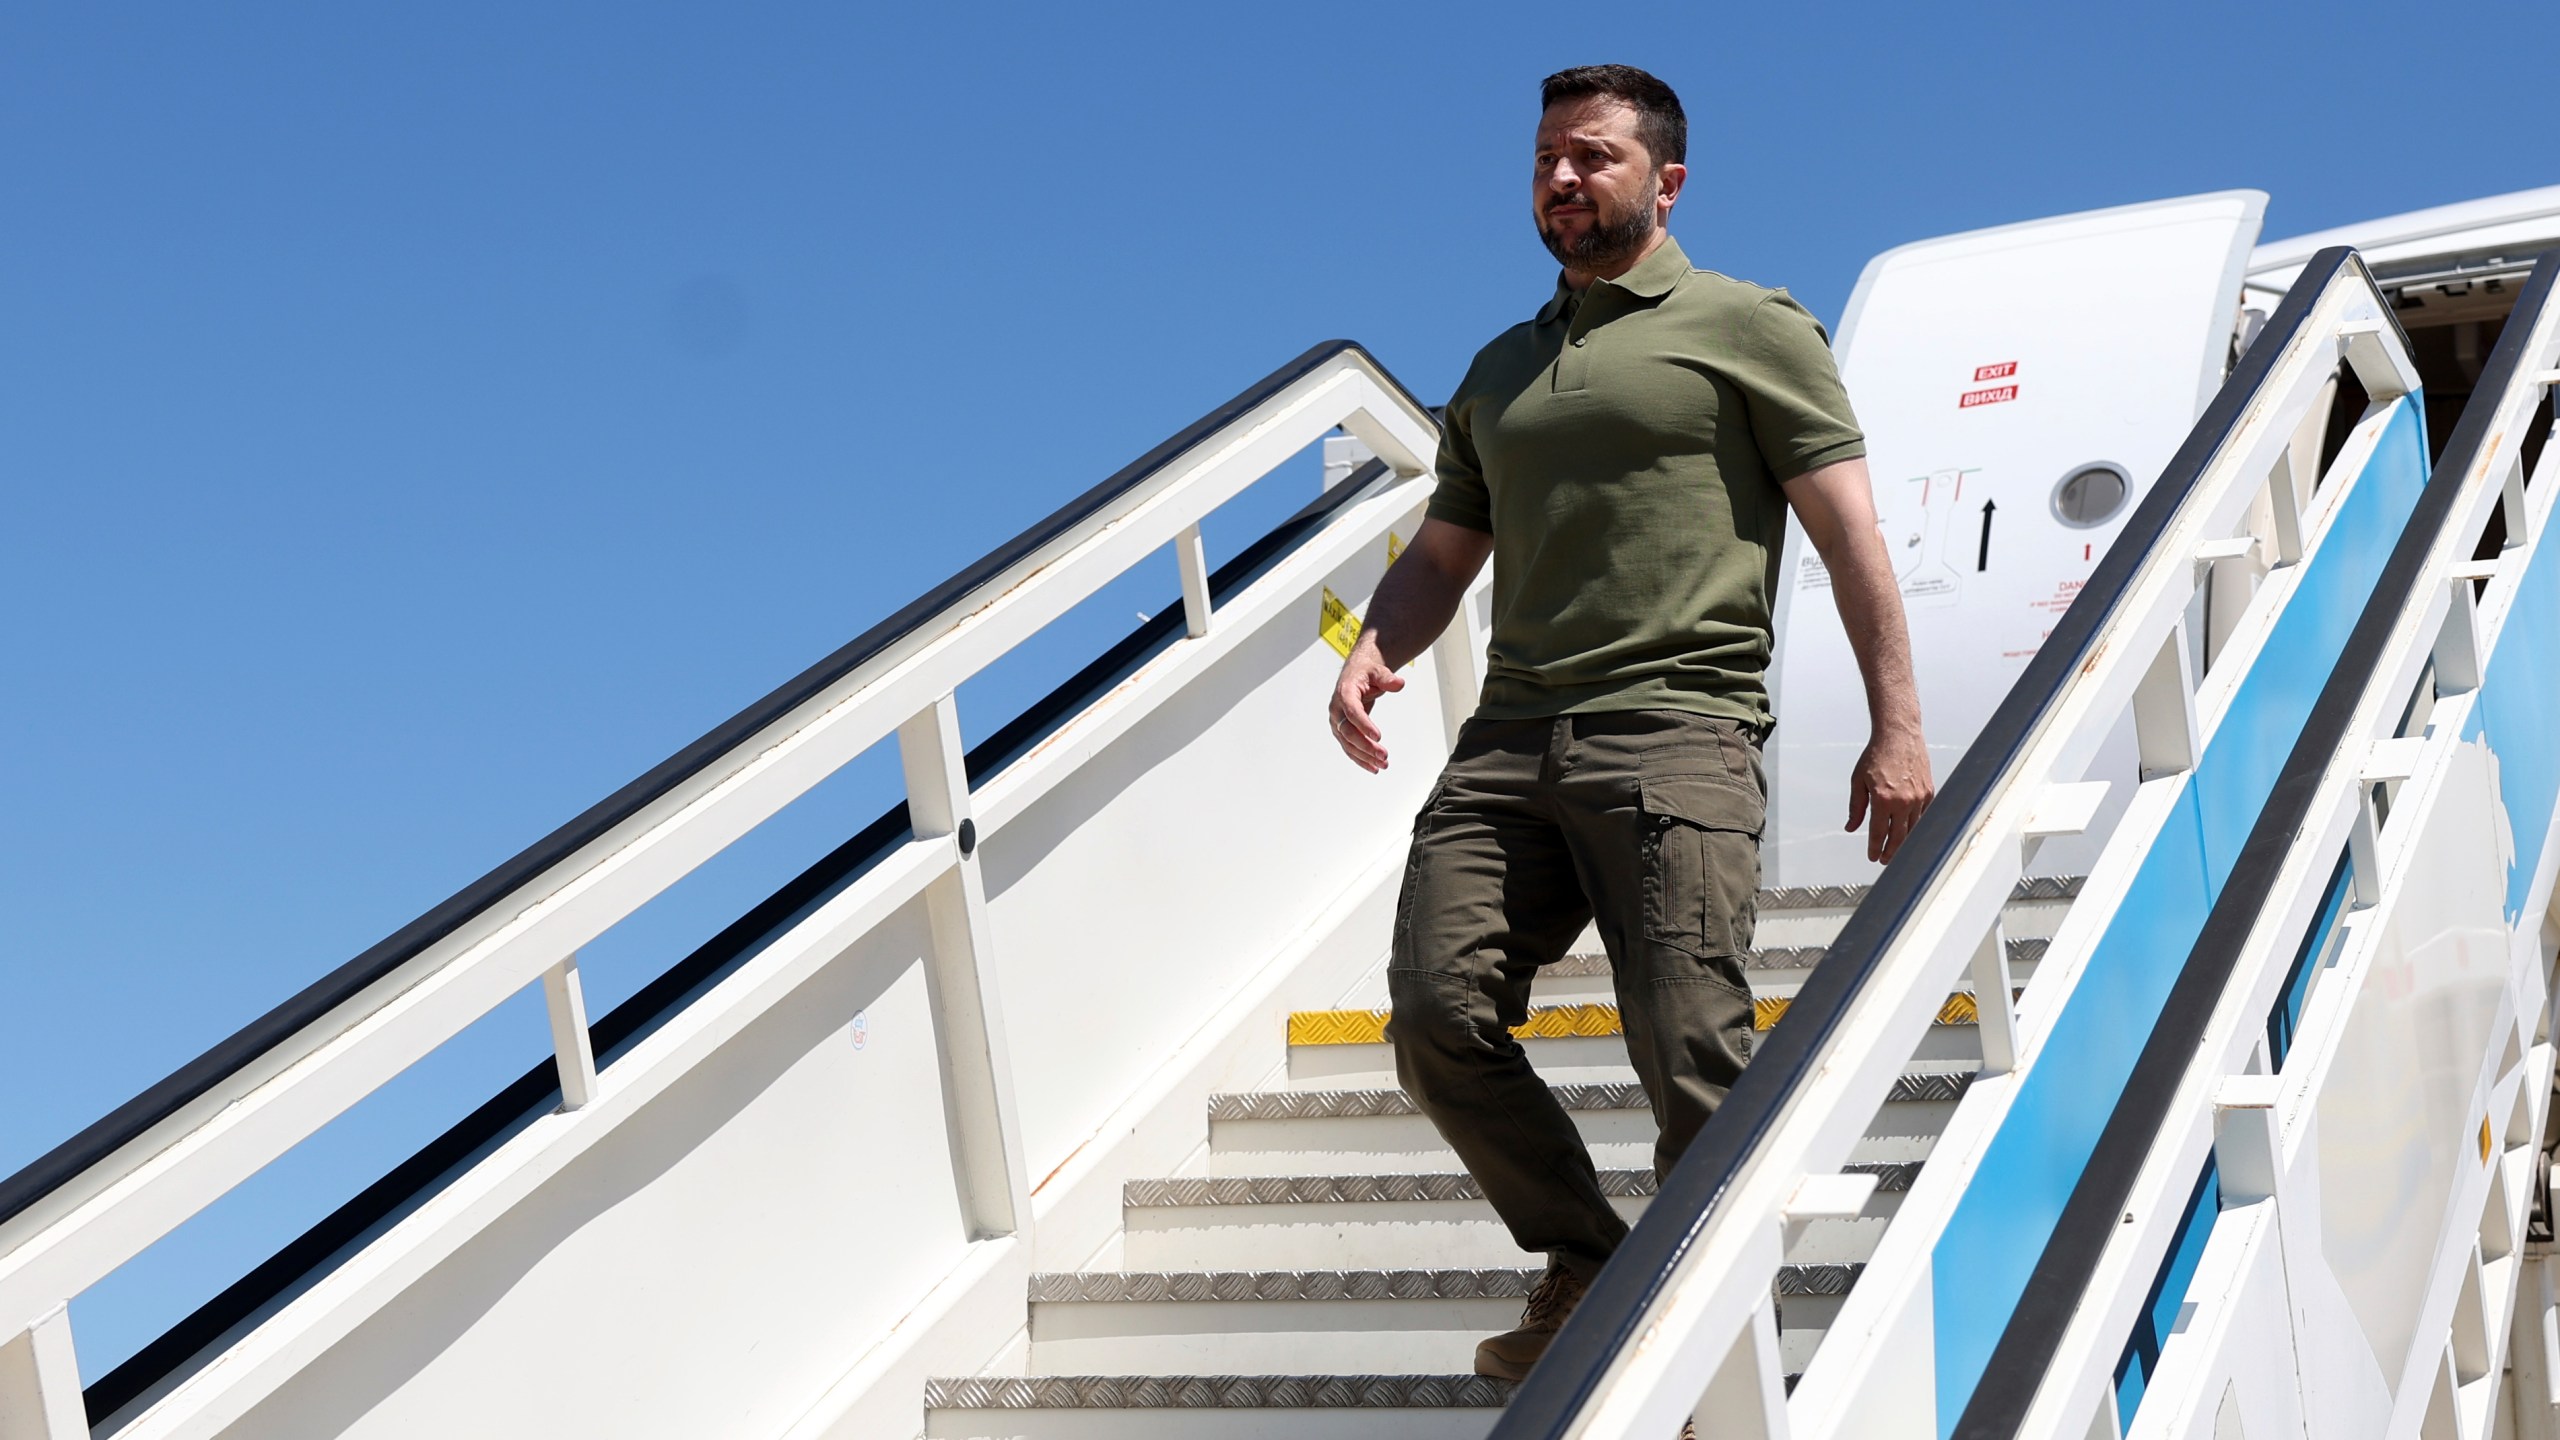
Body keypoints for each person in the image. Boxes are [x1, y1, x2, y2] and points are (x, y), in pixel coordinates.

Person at [1324, 63, 1934, 1385]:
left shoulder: (1750, 324)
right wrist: (1376, 645)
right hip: (1509, 741)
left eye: (1593, 157)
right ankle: (1588, 1261)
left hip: (1676, 728)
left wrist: (1899, 725)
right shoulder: (1501, 369)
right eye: (1547, 158)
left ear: (1667, 180)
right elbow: (1442, 554)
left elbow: (1849, 535)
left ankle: (1718, 1355)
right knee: (1435, 1016)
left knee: (1689, 1048)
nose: (1561, 180)